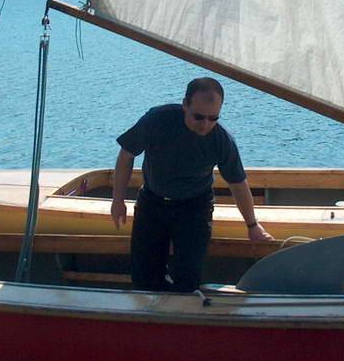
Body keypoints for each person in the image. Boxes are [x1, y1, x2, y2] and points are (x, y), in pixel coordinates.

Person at [111, 77, 273, 292]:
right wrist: (118, 201)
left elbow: (238, 184)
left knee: (187, 279)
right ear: (185, 105)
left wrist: (252, 225)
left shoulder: (221, 139)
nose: (205, 124)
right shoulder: (157, 121)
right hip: (153, 202)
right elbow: (126, 155)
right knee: (144, 279)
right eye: (198, 117)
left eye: (213, 118)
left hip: (194, 207)